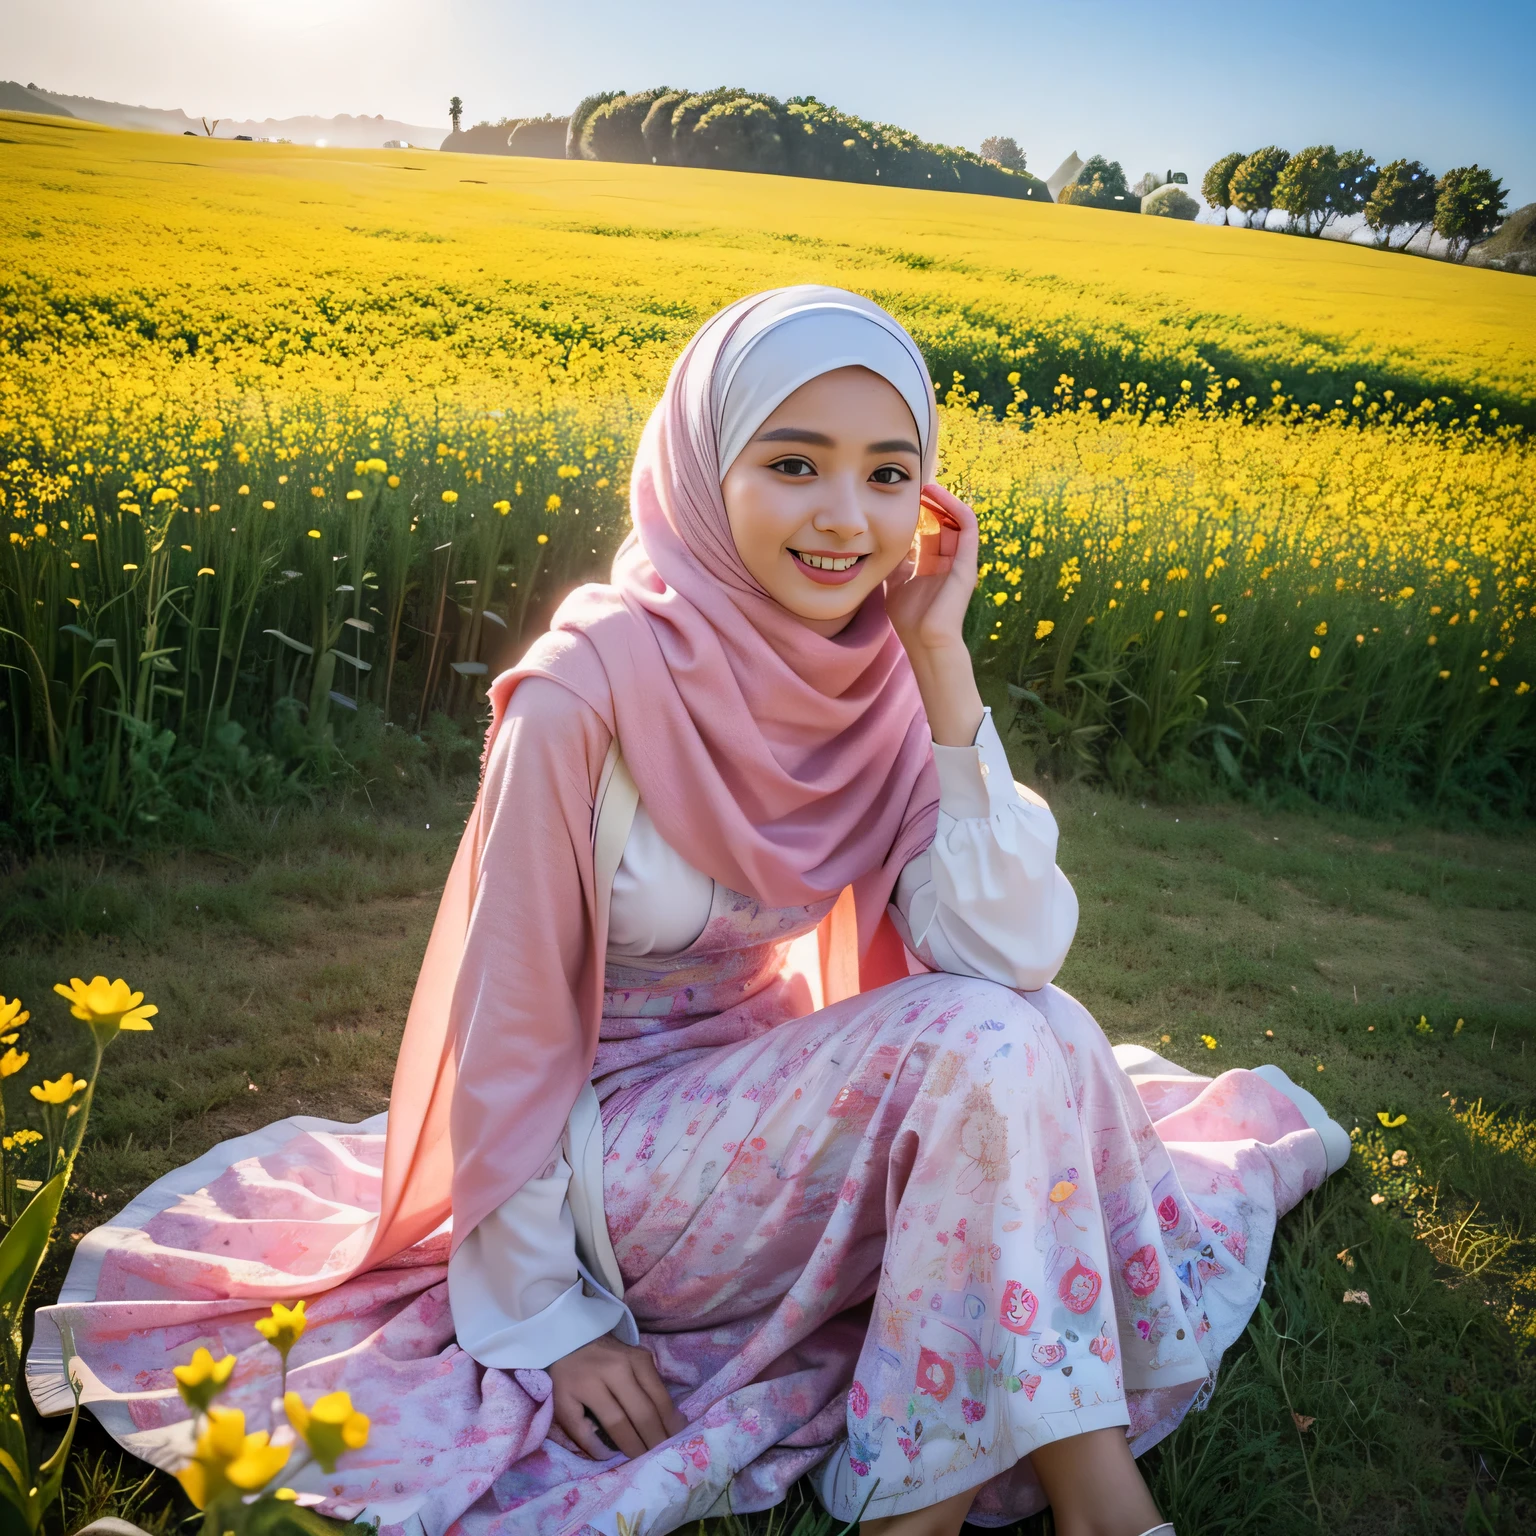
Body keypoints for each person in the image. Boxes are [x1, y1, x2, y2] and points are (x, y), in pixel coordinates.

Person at [32, 287, 1350, 1536]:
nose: (847, 516)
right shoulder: (584, 695)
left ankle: (960, 1504)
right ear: (702, 469)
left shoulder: (878, 677)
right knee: (1004, 1045)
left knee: (1034, 1023)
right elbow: (510, 1021)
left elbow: (1005, 949)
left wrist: (942, 666)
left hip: (770, 1106)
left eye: (891, 473)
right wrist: (555, 1318)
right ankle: (1075, 1501)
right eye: (794, 463)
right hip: (618, 1162)